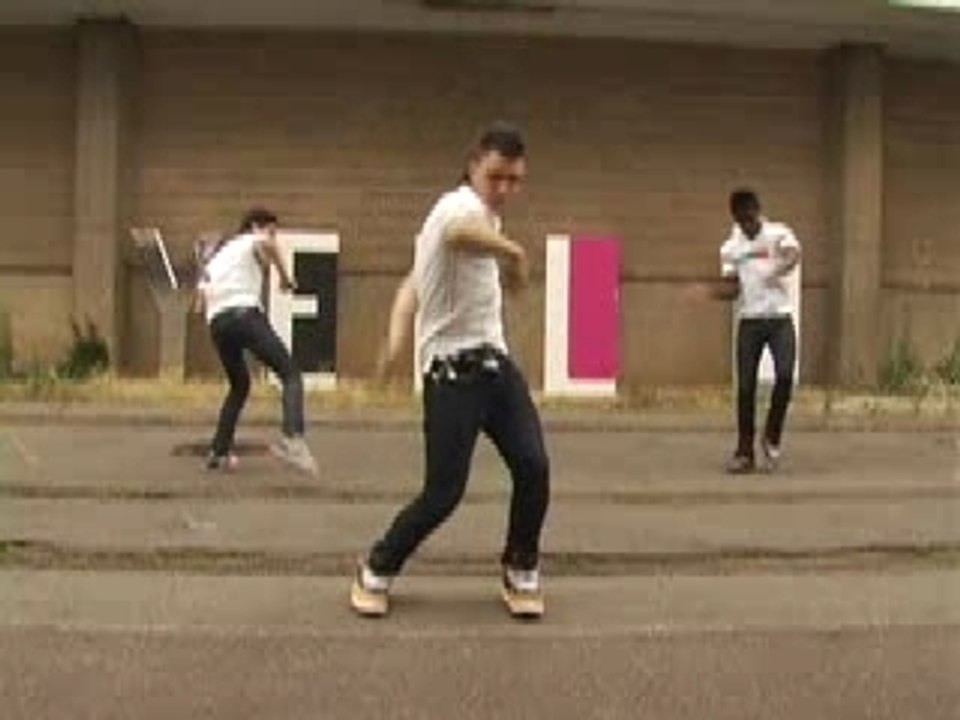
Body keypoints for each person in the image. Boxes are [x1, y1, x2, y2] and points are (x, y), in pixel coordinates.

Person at [350, 122, 550, 619]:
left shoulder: (483, 220)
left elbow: (411, 286)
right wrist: (513, 252)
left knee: (533, 466)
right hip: (451, 376)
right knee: (443, 493)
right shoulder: (455, 207)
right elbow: (461, 234)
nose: (504, 189)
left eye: (515, 180)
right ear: (473, 166)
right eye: (496, 177)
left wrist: (395, 338)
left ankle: (520, 567)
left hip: (495, 366)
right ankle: (376, 568)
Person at [195, 207, 318, 476]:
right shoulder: (251, 239)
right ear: (254, 226)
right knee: (290, 374)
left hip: (217, 324)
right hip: (244, 314)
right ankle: (293, 439)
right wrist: (285, 278)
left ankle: (219, 451)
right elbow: (266, 244)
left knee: (239, 385)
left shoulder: (219, 258)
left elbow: (199, 301)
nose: (273, 238)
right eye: (272, 231)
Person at [708, 189, 801, 474]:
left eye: (751, 219)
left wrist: (779, 268)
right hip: (750, 321)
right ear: (735, 219)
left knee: (785, 376)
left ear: (758, 212)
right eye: (742, 221)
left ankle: (772, 434)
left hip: (780, 319)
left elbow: (793, 254)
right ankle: (744, 452)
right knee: (746, 387)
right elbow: (733, 289)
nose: (748, 227)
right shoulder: (731, 248)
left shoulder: (778, 233)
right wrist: (712, 293)